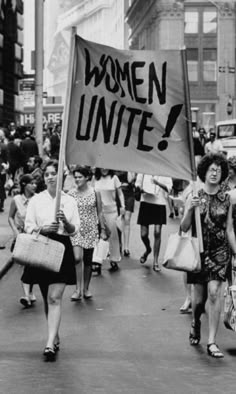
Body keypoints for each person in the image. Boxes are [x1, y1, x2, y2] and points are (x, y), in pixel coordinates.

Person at [24, 160, 80, 361]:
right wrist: (42, 229)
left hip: (61, 249)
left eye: (54, 173)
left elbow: (75, 230)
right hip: (41, 247)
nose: (50, 177)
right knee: (47, 296)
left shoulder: (69, 201)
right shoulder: (36, 200)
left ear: (61, 176)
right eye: (47, 174)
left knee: (55, 297)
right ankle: (54, 335)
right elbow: (28, 226)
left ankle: (49, 345)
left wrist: (65, 222)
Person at [180, 153, 231, 358]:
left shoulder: (227, 198)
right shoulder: (194, 195)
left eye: (218, 170)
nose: (215, 173)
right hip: (199, 253)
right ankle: (195, 322)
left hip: (220, 252)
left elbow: (229, 229)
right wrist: (189, 209)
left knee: (214, 292)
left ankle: (211, 342)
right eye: (211, 169)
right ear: (204, 171)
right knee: (199, 302)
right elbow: (184, 227)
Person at [69, 166, 107, 301]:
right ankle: (77, 289)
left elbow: (100, 212)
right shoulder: (71, 194)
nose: (77, 179)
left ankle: (85, 288)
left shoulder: (95, 192)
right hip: (76, 229)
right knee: (77, 258)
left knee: (88, 260)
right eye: (75, 177)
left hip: (91, 229)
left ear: (87, 178)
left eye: (80, 177)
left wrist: (102, 229)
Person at [8, 174, 37, 307]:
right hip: (21, 237)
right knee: (25, 264)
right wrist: (15, 231)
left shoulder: (38, 199)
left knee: (31, 265)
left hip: (35, 237)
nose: (35, 186)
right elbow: (10, 217)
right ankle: (26, 294)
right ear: (25, 184)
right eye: (32, 183)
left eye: (36, 183)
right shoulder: (16, 199)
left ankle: (30, 292)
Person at [135, 174, 172, 272]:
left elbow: (169, 188)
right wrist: (140, 188)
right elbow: (137, 184)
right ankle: (148, 249)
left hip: (159, 203)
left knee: (157, 232)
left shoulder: (165, 170)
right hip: (146, 202)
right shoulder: (143, 169)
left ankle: (155, 261)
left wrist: (158, 183)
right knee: (143, 235)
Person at [94, 168, 125, 271]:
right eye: (101, 167)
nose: (104, 169)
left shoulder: (114, 178)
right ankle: (97, 261)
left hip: (112, 211)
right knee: (99, 237)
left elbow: (120, 193)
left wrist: (123, 206)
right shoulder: (95, 178)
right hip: (99, 211)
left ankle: (114, 259)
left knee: (113, 236)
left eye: (106, 166)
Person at [116, 171, 136, 257]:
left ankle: (126, 247)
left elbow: (130, 180)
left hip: (129, 193)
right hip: (117, 193)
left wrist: (130, 170)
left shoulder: (131, 165)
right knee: (118, 219)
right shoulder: (114, 166)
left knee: (127, 219)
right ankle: (118, 244)